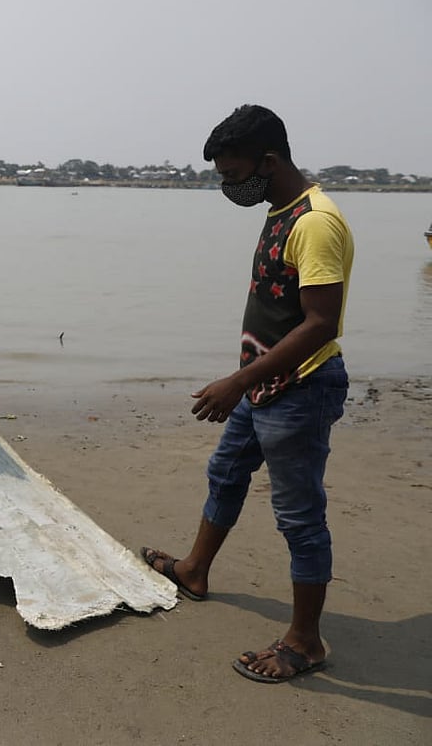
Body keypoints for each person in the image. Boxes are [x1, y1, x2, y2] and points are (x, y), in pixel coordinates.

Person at [141, 104, 354, 683]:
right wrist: (247, 382)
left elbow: (319, 323)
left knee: (299, 517)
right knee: (227, 472)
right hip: (264, 386)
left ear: (268, 160)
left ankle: (305, 642)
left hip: (300, 389)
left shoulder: (314, 221)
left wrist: (238, 381)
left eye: (232, 175)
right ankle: (193, 570)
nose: (227, 186)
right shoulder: (279, 209)